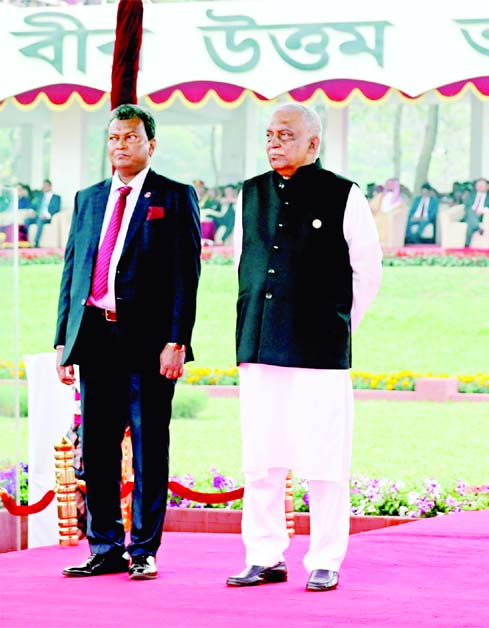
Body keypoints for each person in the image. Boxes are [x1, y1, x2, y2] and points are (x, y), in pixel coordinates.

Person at [226, 103, 382, 592]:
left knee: (325, 458)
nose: (274, 143)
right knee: (261, 458)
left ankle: (325, 559)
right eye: (269, 135)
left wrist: (336, 325)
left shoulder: (343, 194)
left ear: (313, 143)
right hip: (259, 343)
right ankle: (264, 555)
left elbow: (367, 272)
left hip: (320, 351)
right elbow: (241, 264)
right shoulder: (250, 194)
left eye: (286, 135)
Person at [54, 103, 201, 580]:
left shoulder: (174, 196)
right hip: (96, 337)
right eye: (114, 137)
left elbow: (186, 276)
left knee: (148, 445)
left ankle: (143, 550)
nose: (121, 145)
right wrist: (63, 341)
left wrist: (177, 340)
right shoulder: (89, 198)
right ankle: (104, 547)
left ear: (150, 144)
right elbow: (73, 271)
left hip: (150, 343)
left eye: (131, 137)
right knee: (97, 447)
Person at [460, 177, 489, 247]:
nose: (480, 187)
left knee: (470, 223)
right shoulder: (471, 195)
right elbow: (467, 206)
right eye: (478, 185)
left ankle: (466, 245)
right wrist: (474, 212)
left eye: (482, 185)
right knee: (470, 211)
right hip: (471, 214)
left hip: (481, 217)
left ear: (487, 187)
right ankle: (477, 227)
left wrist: (482, 211)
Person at [26, 179, 62, 247]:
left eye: (46, 186)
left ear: (50, 186)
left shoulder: (56, 197)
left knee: (40, 221)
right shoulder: (40, 196)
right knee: (27, 220)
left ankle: (36, 242)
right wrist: (31, 211)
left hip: (47, 217)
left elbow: (56, 209)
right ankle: (26, 241)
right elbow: (33, 205)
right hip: (37, 216)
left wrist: (47, 215)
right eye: (43, 186)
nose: (44, 187)